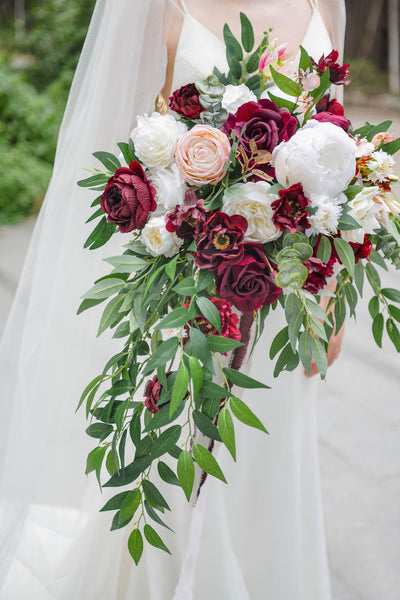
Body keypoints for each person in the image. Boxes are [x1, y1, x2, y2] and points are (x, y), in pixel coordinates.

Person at [0, 0, 346, 598]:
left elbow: (337, 148)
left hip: (290, 298)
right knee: (179, 467)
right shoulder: (160, 7)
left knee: (269, 465)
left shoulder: (322, 3)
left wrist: (331, 295)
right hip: (187, 300)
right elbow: (127, 155)